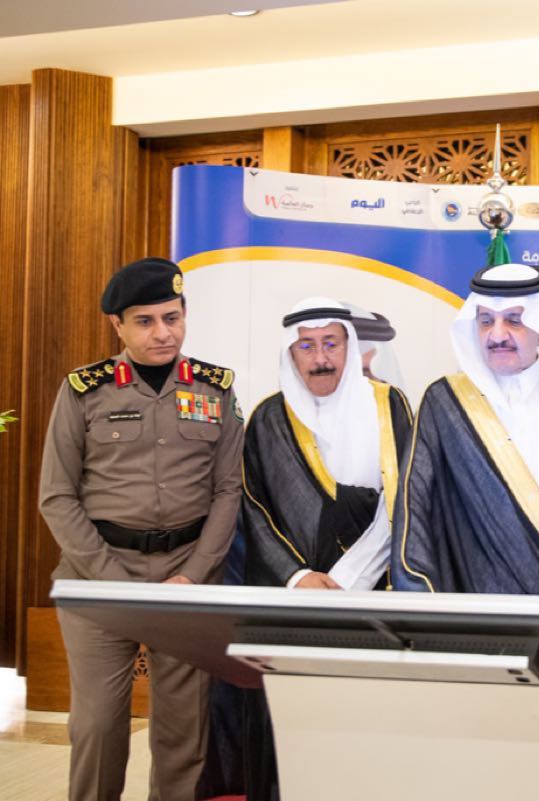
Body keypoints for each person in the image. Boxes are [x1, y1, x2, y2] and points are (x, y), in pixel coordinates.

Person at [393, 263, 539, 800]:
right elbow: (414, 512)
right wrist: (422, 611)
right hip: (484, 617)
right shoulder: (446, 402)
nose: (497, 334)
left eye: (514, 321)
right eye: (485, 321)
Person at [38, 257, 244, 801]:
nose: (163, 333)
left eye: (172, 318)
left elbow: (229, 491)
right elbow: (56, 496)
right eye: (146, 321)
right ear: (118, 325)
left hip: (186, 578)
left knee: (184, 730)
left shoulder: (215, 389)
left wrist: (194, 575)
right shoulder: (84, 391)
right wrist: (112, 580)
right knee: (98, 725)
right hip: (98, 576)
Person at [239, 297, 414, 799]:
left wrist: (349, 579)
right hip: (293, 602)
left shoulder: (389, 406)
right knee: (295, 729)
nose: (321, 358)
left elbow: (405, 497)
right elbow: (253, 507)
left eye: (331, 344)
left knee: (368, 726)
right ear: (291, 353)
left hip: (373, 596)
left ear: (349, 346)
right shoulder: (268, 418)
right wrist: (298, 577)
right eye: (307, 346)